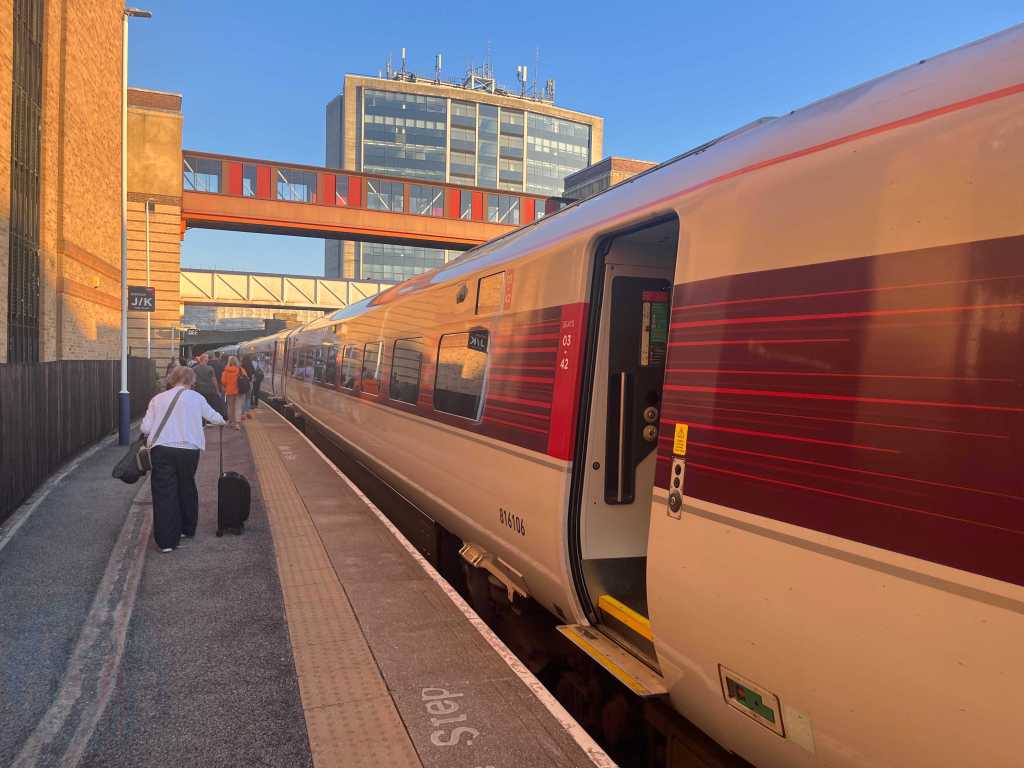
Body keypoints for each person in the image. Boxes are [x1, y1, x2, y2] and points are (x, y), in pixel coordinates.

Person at [141, 365, 225, 552]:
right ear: (192, 380)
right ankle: (187, 529)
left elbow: (145, 428)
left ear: (172, 379)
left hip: (162, 449)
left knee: (165, 493)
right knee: (186, 485)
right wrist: (223, 420)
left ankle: (167, 542)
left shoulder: (157, 399)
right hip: (189, 450)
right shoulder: (197, 398)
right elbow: (215, 417)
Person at [192, 353, 226, 419]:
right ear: (205, 360)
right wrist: (217, 390)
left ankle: (201, 419)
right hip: (209, 390)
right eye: (207, 358)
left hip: (199, 390)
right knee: (209, 405)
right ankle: (208, 419)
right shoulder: (210, 368)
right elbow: (214, 380)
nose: (208, 360)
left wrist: (193, 389)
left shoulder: (194, 369)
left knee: (200, 406)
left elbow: (193, 380)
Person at [220, 355, 248, 430]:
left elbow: (223, 381)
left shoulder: (226, 371)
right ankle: (237, 424)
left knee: (230, 407)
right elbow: (246, 378)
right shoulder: (241, 370)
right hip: (239, 391)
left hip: (229, 391)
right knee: (238, 407)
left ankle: (231, 421)